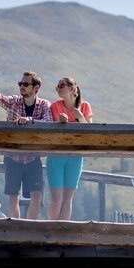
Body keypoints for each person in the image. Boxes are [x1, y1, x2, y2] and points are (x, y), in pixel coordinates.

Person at [0, 71, 54, 219]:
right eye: (20, 84)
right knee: (13, 198)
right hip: (12, 157)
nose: (22, 87)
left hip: (33, 157)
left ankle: (29, 231)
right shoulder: (14, 102)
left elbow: (48, 122)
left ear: (36, 87)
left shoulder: (44, 105)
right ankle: (17, 230)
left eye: (26, 84)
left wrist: (29, 120)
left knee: (37, 198)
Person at [45, 77, 93, 221]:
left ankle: (63, 231)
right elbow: (53, 128)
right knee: (57, 199)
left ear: (72, 88)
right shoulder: (55, 106)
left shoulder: (85, 107)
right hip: (56, 155)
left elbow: (91, 131)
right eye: (57, 86)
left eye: (61, 85)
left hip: (76, 156)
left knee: (68, 200)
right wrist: (60, 122)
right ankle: (52, 229)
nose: (58, 88)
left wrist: (80, 118)